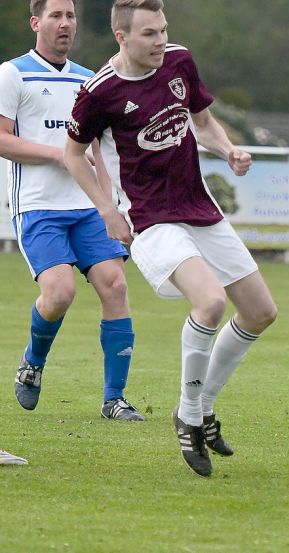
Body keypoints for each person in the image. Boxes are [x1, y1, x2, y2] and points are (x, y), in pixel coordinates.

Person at [64, 0, 277, 478]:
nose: (160, 41)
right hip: (149, 218)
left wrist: (229, 150)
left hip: (198, 207)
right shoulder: (100, 92)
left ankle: (201, 409)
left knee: (261, 311)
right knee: (209, 303)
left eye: (162, 30)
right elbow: (73, 155)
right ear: (122, 37)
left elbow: (202, 123)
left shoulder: (179, 60)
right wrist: (106, 212)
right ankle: (189, 415)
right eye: (148, 34)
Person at [0, 0, 143, 421]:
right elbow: (2, 139)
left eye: (71, 16)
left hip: (86, 208)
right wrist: (58, 155)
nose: (65, 24)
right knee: (60, 293)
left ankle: (114, 399)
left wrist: (111, 208)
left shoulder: (88, 80)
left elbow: (97, 153)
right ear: (36, 22)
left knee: (114, 285)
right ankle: (33, 362)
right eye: (56, 16)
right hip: (38, 207)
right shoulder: (12, 73)